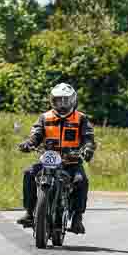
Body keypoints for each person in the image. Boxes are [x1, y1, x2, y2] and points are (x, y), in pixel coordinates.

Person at [16, 83, 95, 234]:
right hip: (48, 161)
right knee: (28, 173)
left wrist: (88, 148)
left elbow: (88, 138)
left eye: (66, 100)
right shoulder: (44, 117)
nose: (62, 104)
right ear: (52, 100)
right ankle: (29, 212)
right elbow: (36, 135)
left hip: (71, 162)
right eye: (59, 100)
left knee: (81, 180)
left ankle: (77, 218)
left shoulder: (81, 118)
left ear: (73, 101)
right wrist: (29, 143)